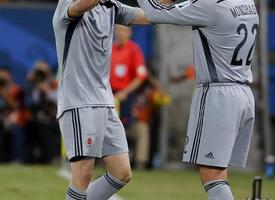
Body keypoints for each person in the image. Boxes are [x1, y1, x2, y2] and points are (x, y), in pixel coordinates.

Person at [138, 0, 258, 199]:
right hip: (243, 92)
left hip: (218, 95)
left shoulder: (210, 5)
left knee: (212, 175)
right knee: (219, 172)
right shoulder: (248, 2)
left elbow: (154, 12)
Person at [53, 0, 148, 199]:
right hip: (79, 102)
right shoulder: (68, 4)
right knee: (83, 172)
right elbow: (80, 7)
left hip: (105, 102)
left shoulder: (111, 6)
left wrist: (172, 5)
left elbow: (148, 15)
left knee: (121, 172)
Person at [110, 25, 148, 128]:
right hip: (108, 94)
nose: (122, 34)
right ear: (115, 32)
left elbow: (141, 76)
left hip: (126, 95)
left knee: (126, 125)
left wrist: (125, 92)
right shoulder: (109, 49)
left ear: (130, 32)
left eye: (124, 31)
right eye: (119, 30)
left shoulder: (134, 50)